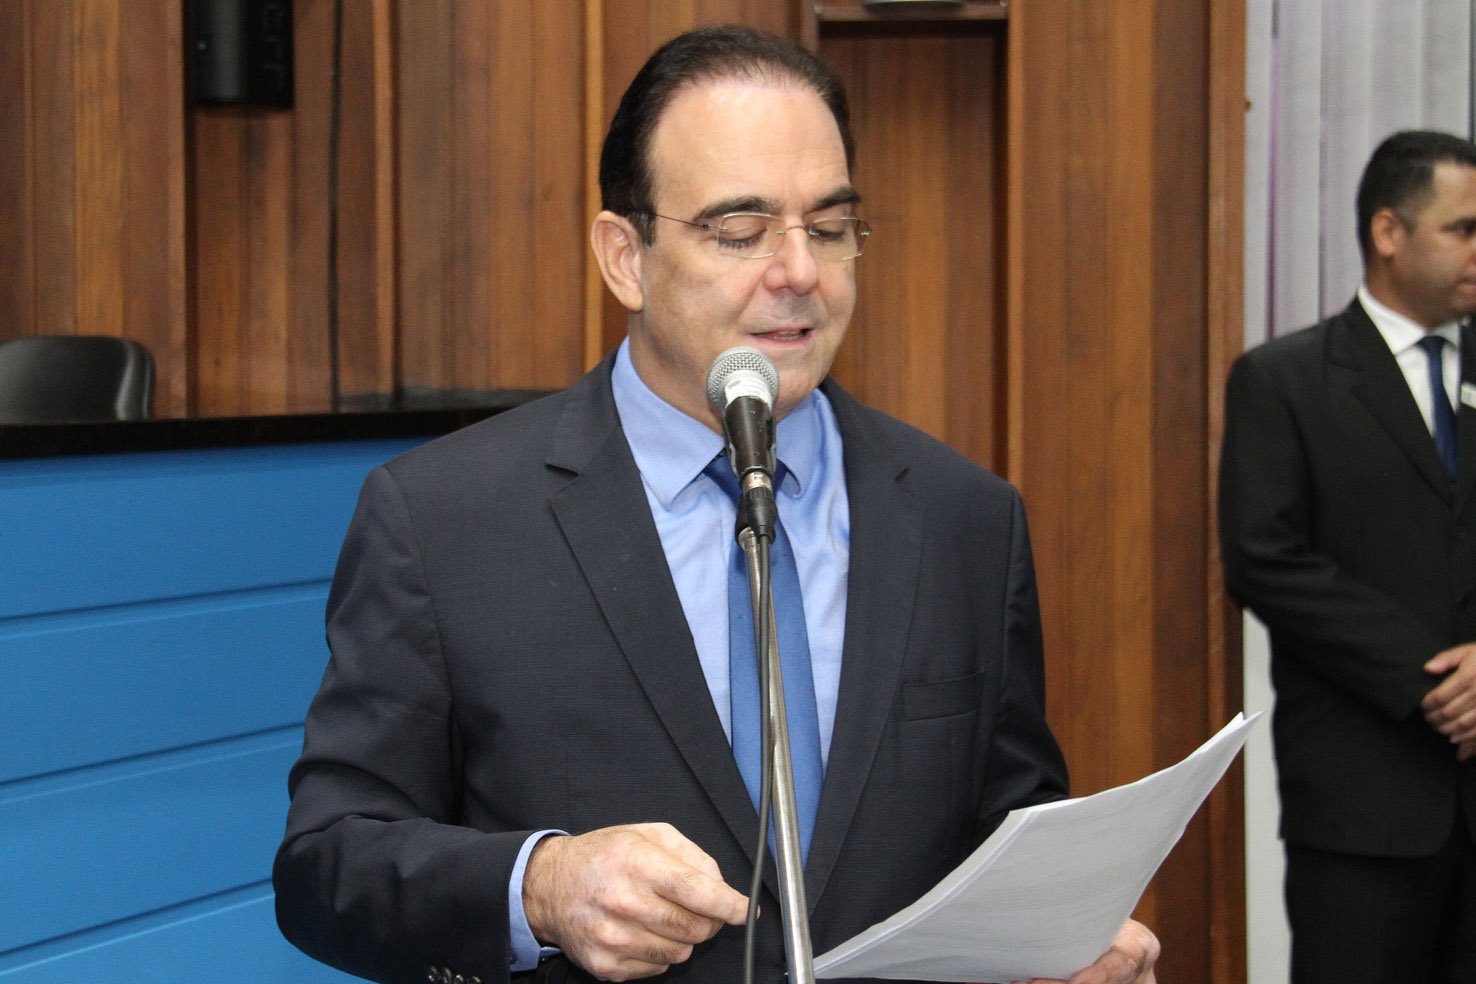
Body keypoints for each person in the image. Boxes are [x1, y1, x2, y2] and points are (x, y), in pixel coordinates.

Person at [274, 25, 1159, 984]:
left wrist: (1065, 941)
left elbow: (1010, 828)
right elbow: (327, 864)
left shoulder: (964, 520)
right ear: (625, 257)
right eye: (741, 233)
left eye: (830, 228)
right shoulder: (445, 520)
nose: (800, 272)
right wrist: (540, 886)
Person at [1220, 129, 1476, 984]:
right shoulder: (1286, 379)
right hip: (1363, 807)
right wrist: (1433, 677)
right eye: (1464, 229)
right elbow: (1264, 558)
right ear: (1389, 232)